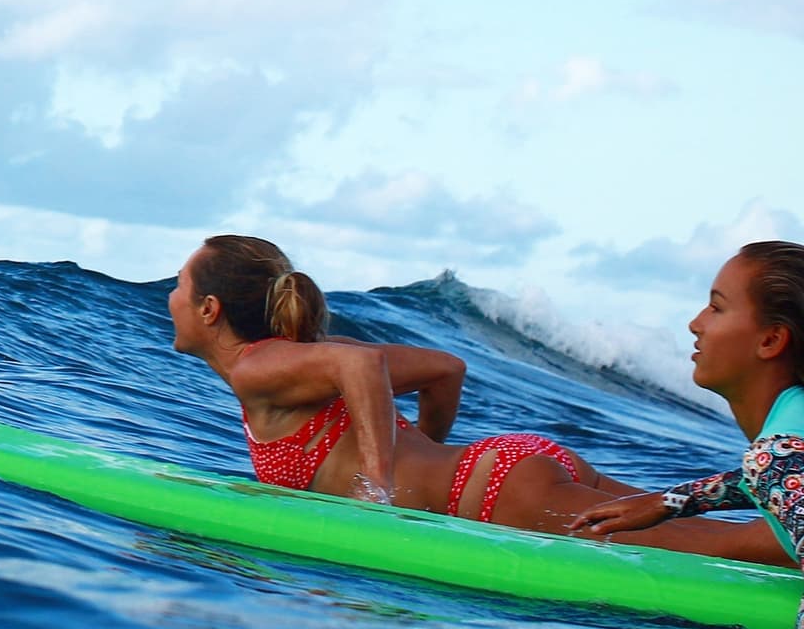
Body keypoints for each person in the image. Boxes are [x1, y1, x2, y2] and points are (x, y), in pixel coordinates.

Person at [168, 233, 785, 558]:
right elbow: (446, 369)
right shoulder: (301, 358)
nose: (170, 297)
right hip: (505, 467)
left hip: (497, 495)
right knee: (721, 527)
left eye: (178, 285)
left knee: (732, 546)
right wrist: (421, 455)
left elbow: (360, 366)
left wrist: (379, 487)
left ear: (210, 308)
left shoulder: (256, 368)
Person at [569, 240, 804, 609]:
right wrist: (673, 502)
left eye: (717, 308)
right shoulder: (785, 440)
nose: (695, 324)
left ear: (771, 340)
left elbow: (777, 469)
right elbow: (779, 476)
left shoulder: (775, 453)